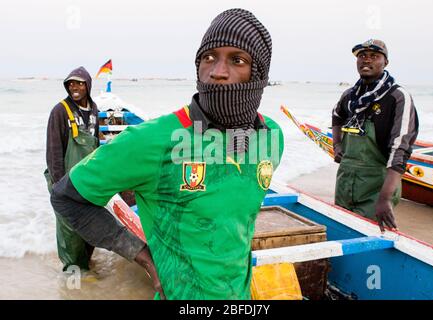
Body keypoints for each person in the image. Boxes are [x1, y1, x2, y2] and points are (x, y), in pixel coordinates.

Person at [50, 8, 283, 300]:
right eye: (208, 57)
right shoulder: (154, 140)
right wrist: (143, 257)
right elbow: (66, 197)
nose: (217, 72)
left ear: (258, 73)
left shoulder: (271, 137)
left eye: (237, 60)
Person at [332, 39, 419, 232]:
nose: (366, 60)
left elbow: (400, 150)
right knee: (341, 232)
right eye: (362, 56)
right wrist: (337, 145)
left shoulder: (397, 97)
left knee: (368, 236)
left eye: (374, 56)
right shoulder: (350, 95)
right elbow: (337, 116)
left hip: (376, 186)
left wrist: (384, 199)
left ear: (385, 62)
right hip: (345, 182)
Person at [44, 67, 100, 271]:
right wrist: (60, 186)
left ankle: (87, 267)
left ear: (88, 85)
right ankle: (74, 275)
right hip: (64, 181)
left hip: (86, 181)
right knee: (69, 230)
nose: (74, 87)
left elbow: (97, 146)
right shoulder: (60, 111)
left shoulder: (94, 109)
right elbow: (53, 151)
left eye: (79, 83)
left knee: (91, 224)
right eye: (71, 83)